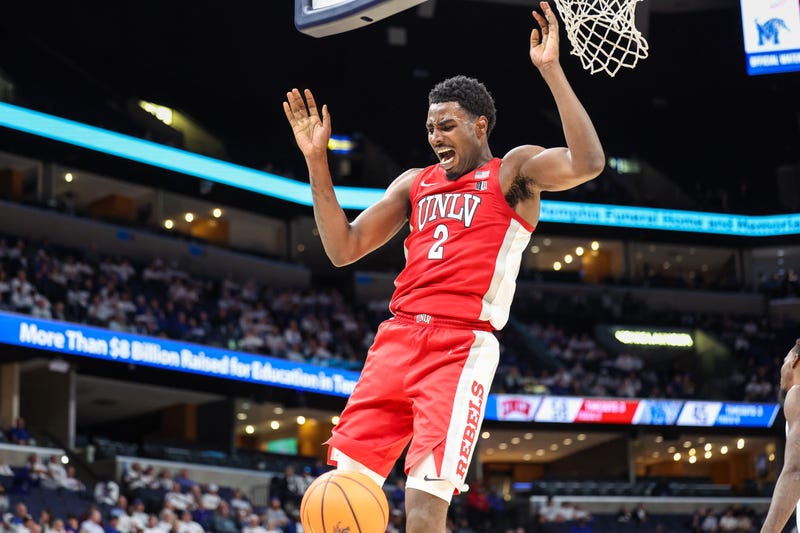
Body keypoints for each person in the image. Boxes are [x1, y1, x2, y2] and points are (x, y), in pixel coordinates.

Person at [282, 2, 604, 531]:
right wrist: (317, 162)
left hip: (460, 347)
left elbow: (587, 163)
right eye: (431, 127)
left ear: (480, 126)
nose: (436, 137)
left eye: (448, 126)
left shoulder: (514, 172)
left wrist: (551, 70)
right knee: (343, 487)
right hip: (396, 339)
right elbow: (343, 248)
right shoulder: (414, 182)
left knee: (426, 503)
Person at [760, 339, 800, 532]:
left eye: (784, 361)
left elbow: (796, 471)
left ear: (795, 360)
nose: (781, 368)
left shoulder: (797, 395)